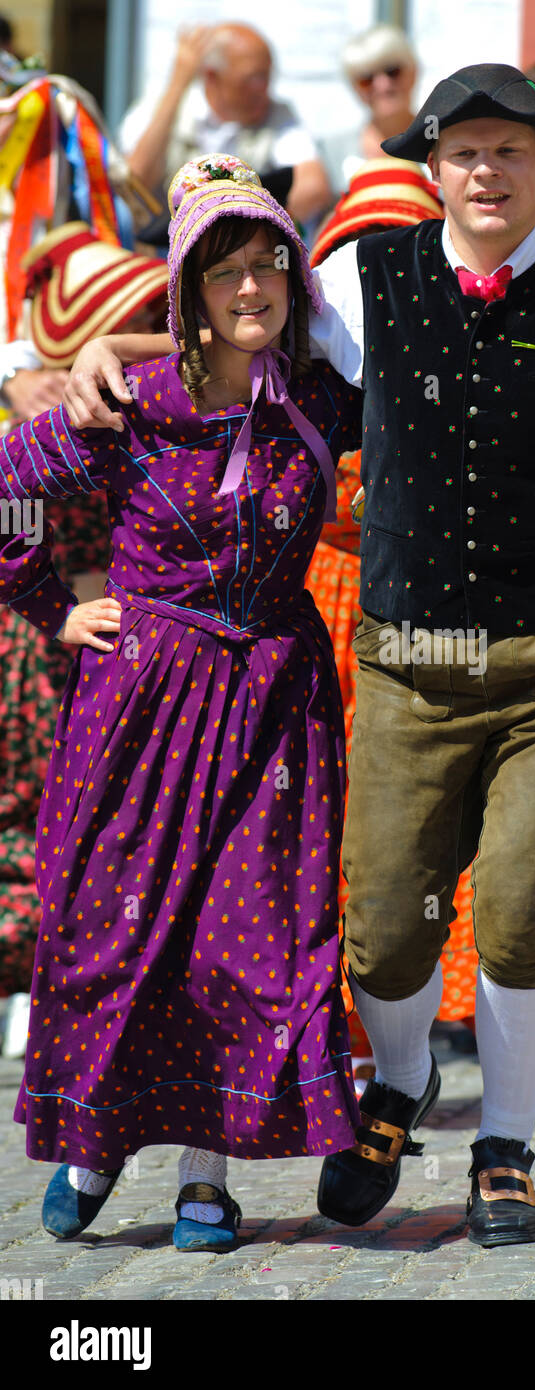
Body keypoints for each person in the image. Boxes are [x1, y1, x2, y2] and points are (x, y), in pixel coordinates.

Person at [60, 63, 535, 1249]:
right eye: (463, 151)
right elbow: (230, 311)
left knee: (522, 916)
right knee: (382, 927)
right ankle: (399, 1082)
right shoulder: (362, 281)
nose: (485, 170)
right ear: (431, 169)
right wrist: (91, 356)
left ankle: (505, 1150)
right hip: (412, 661)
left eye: (509, 152)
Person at [0, 154, 362, 1251]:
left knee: (244, 946)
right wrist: (54, 606)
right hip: (144, 703)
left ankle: (207, 1177)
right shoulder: (126, 407)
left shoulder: (312, 397)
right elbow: (8, 489)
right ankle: (91, 1141)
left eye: (267, 269)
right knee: (117, 935)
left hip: (274, 701)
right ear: (188, 291)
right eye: (224, 274)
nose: (251, 291)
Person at [305, 160, 480, 1086]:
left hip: (419, 611)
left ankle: (421, 1031)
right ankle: (338, 1033)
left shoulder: (450, 347)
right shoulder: (300, 358)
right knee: (320, 825)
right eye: (355, 247)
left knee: (423, 821)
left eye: (391, 244)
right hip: (316, 607)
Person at [0, 224, 168, 1052]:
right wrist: (56, 606)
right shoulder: (64, 415)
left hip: (99, 638)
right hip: (60, 642)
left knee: (87, 822)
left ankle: (65, 996)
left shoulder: (124, 400)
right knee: (48, 815)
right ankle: (50, 994)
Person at [120, 24, 331, 227]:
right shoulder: (160, 109)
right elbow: (135, 186)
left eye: (267, 76)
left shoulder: (277, 115)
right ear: (211, 76)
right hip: (163, 254)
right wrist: (177, 84)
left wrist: (243, 230)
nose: (265, 88)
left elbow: (313, 188)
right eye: (254, 78)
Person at [317, 24, 420, 197]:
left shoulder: (441, 139)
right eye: (366, 79)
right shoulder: (331, 151)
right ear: (354, 87)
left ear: (414, 71)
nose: (382, 86)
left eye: (392, 72)